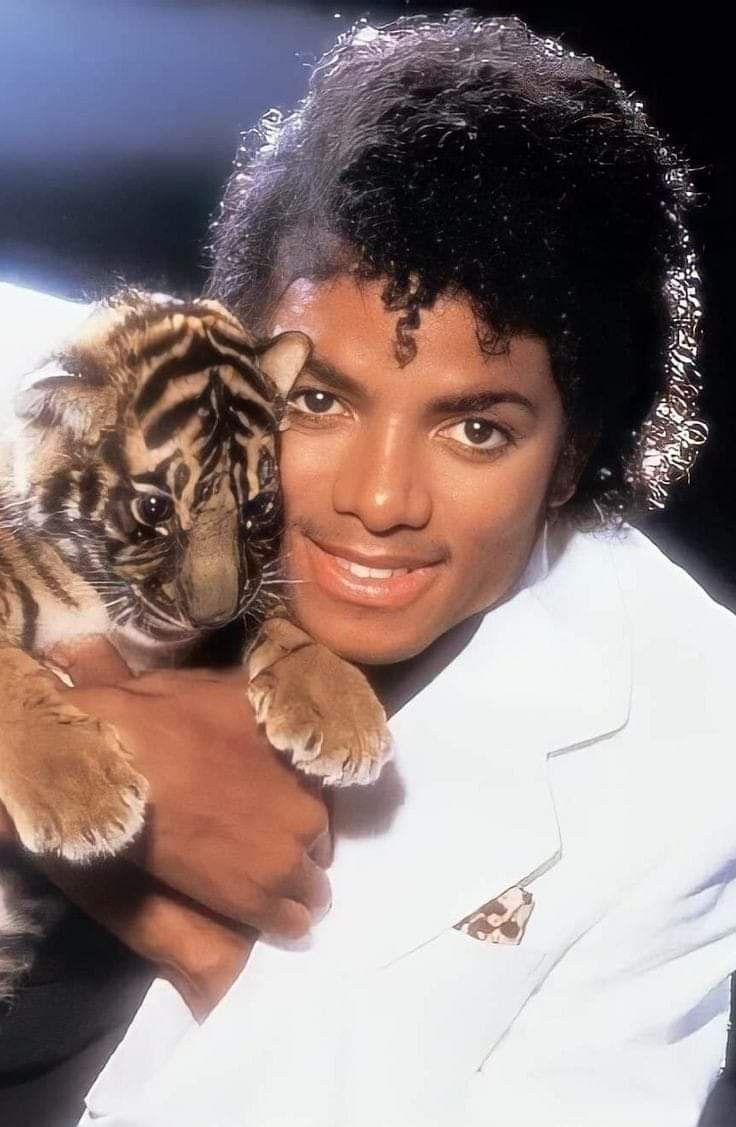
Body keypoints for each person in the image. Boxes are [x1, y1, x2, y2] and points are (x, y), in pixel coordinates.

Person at [1, 11, 735, 1126]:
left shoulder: (692, 756)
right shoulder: (72, 404)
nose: (378, 500)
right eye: (319, 399)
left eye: (476, 428)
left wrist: (193, 928)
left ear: (573, 449)